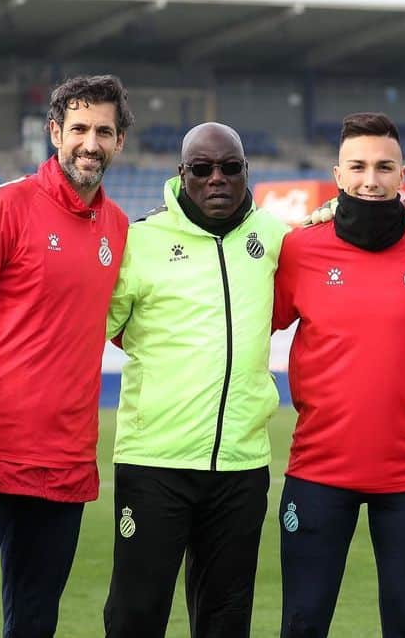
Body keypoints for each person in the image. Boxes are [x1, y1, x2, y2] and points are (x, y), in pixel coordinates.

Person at [0, 74, 133, 637]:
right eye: (79, 129)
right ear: (54, 132)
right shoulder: (7, 205)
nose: (90, 143)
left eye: (104, 131)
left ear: (120, 142)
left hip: (64, 465)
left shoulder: (118, 228)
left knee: (36, 626)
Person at [273, 112, 405, 638]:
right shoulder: (300, 249)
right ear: (337, 175)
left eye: (384, 167)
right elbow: (243, 325)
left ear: (402, 175)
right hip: (318, 472)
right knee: (301, 623)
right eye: (358, 167)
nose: (370, 179)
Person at [102, 122, 289, 638]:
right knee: (136, 614)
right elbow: (88, 323)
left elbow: (336, 252)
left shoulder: (272, 238)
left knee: (226, 619)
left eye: (230, 168)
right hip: (154, 462)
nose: (217, 179)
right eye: (202, 169)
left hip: (241, 465)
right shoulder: (140, 241)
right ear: (181, 173)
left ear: (246, 171)